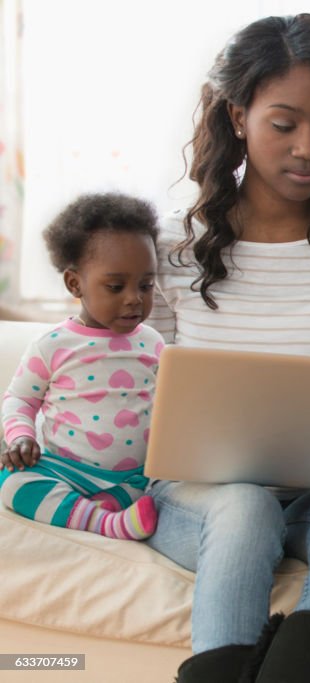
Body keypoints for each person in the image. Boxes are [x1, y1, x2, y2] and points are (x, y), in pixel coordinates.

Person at [144, 15, 310, 682]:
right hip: (197, 499)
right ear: (239, 117)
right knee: (244, 503)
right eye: (286, 123)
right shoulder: (171, 245)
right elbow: (136, 391)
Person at [1, 193, 162, 541]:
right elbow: (19, 400)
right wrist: (22, 437)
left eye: (146, 285)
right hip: (67, 472)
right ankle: (106, 523)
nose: (134, 297)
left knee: (167, 490)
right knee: (10, 482)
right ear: (75, 283)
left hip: (134, 480)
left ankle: (97, 511)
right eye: (116, 286)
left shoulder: (154, 343)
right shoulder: (52, 346)